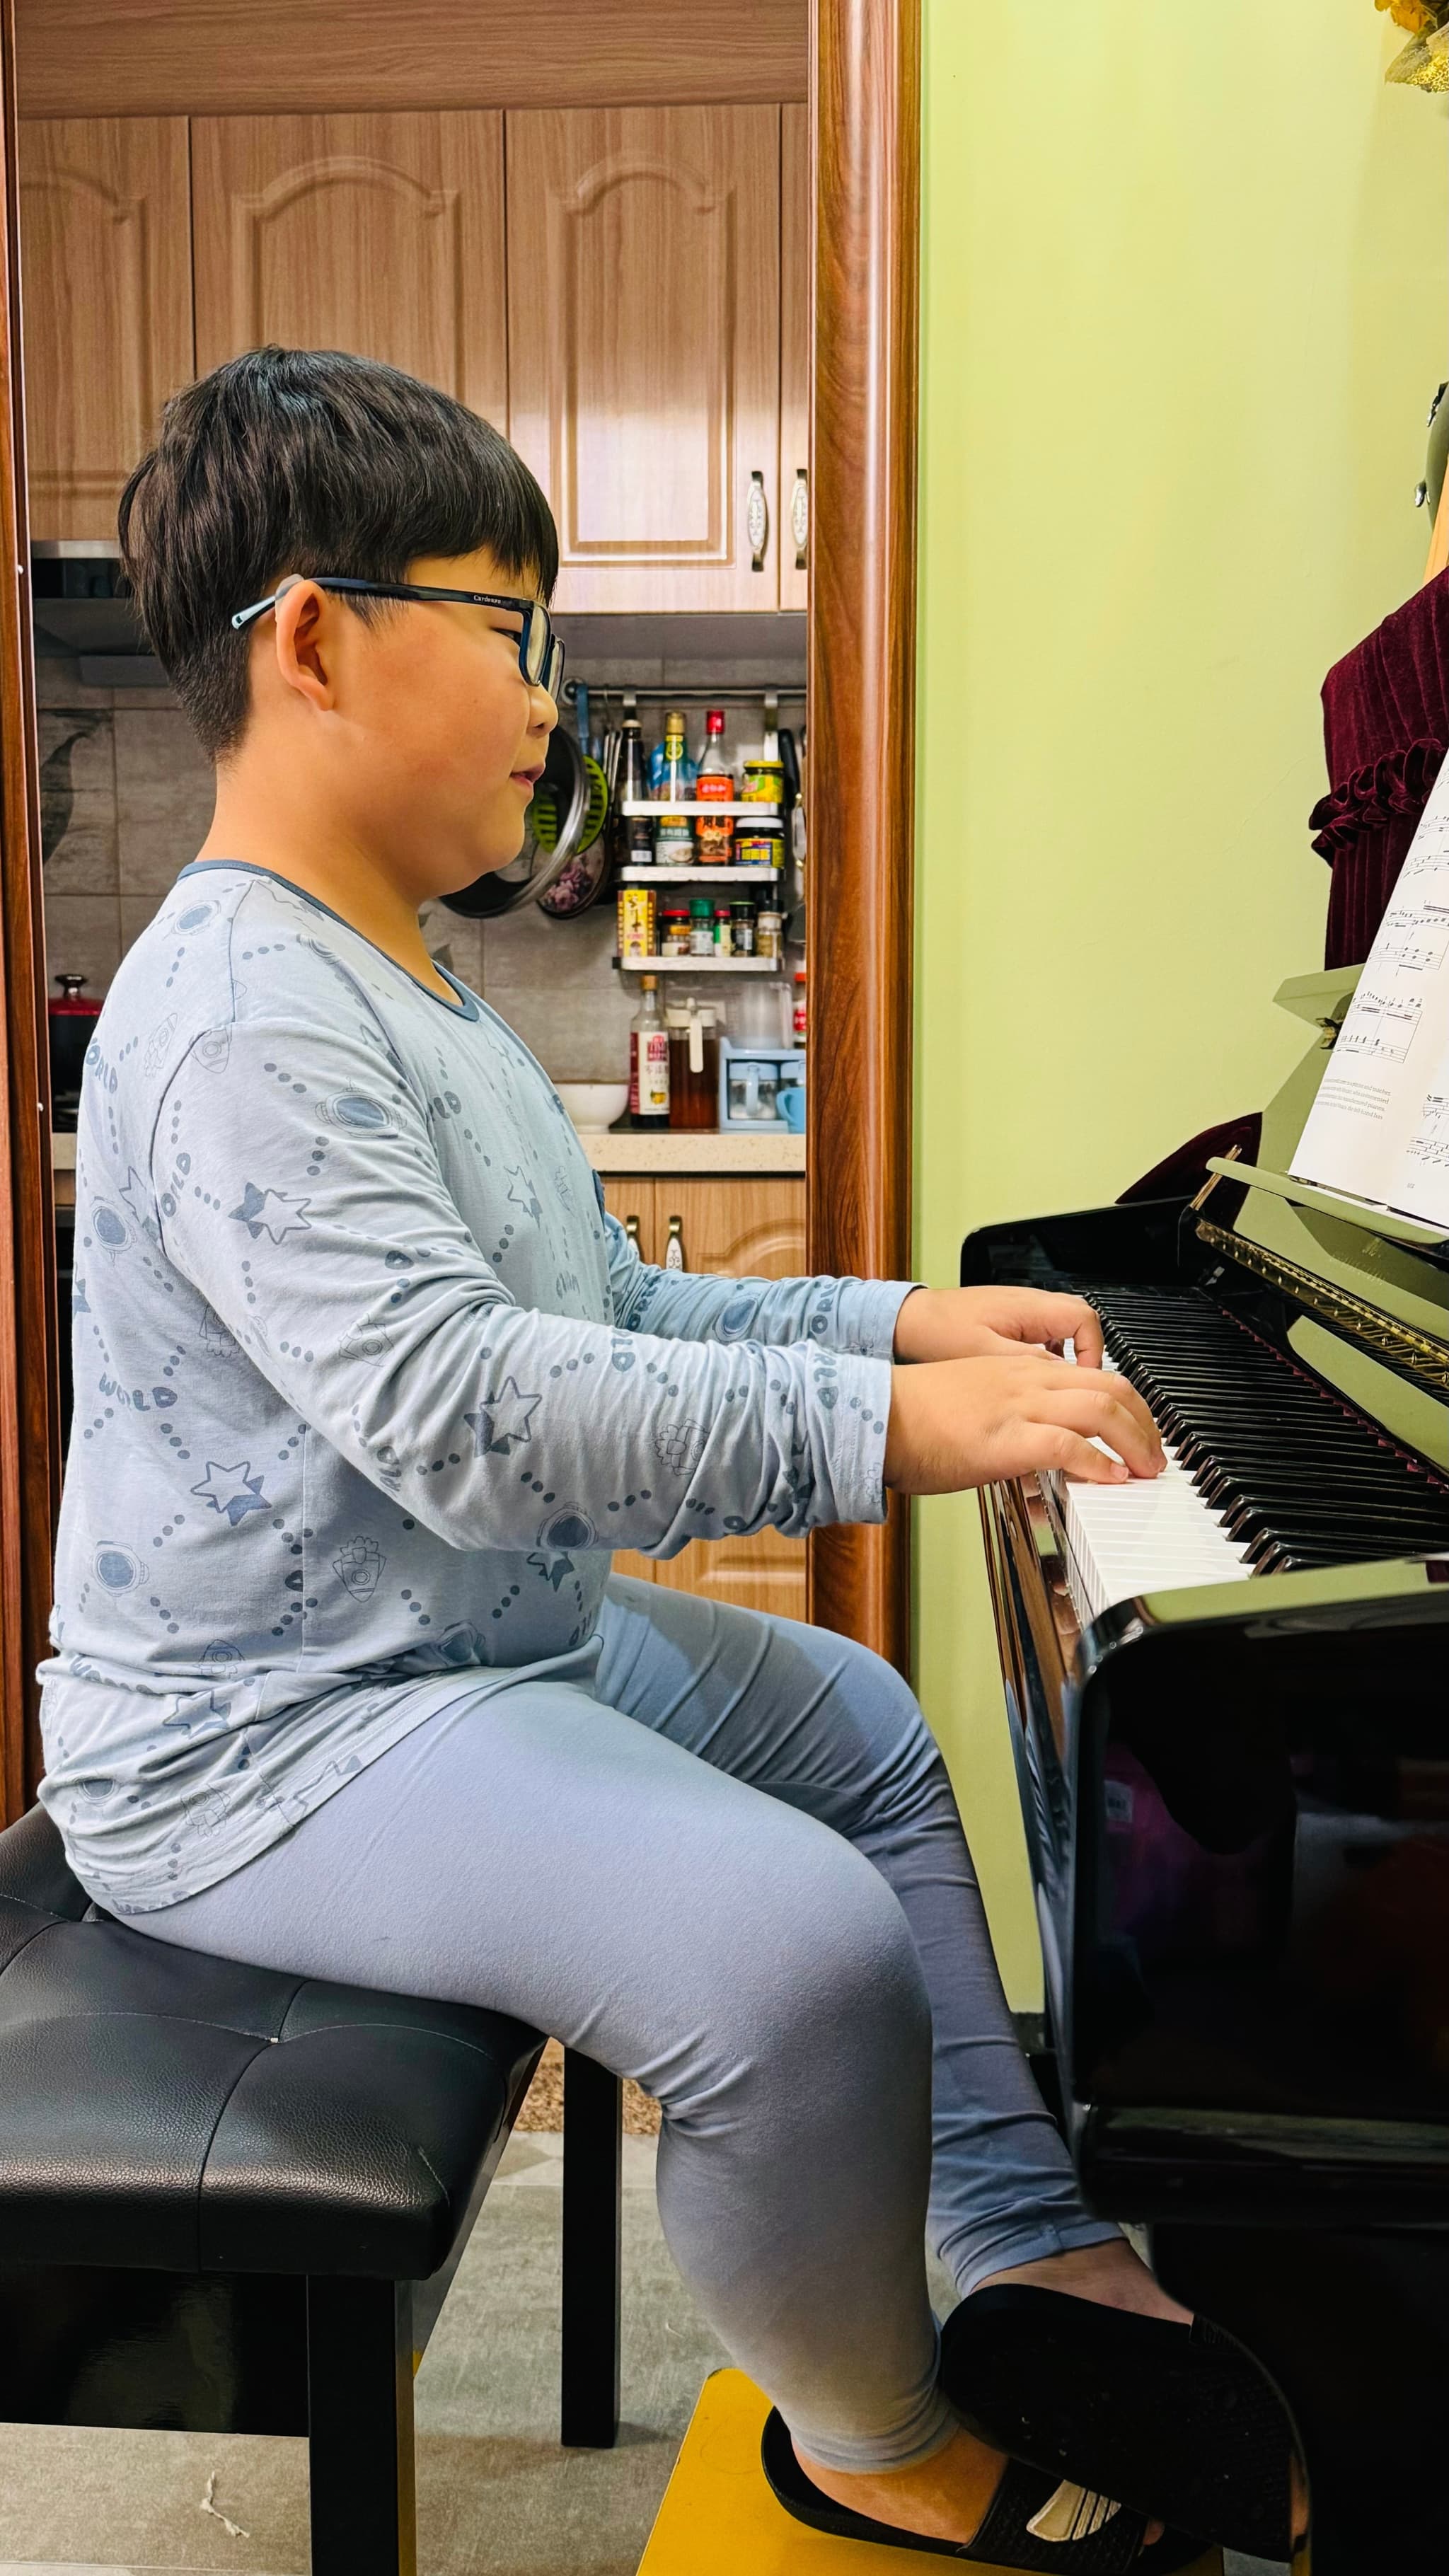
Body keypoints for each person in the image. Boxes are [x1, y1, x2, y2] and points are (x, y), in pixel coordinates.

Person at [37, 348, 1293, 2568]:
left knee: (866, 1729)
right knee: (790, 1954)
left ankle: (1018, 2228)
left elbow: (610, 1320)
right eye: (515, 632)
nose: (553, 696)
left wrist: (893, 1317)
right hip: (268, 1736)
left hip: (463, 1652)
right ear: (313, 638)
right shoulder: (234, 1009)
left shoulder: (412, 980)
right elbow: (473, 1415)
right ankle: (878, 2432)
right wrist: (883, 1427)